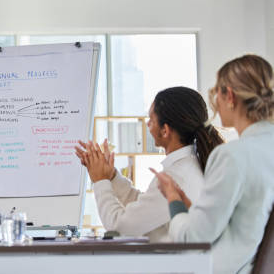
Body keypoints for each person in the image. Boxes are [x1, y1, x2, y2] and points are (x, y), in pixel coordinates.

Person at [152, 55, 274, 273]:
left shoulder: (233, 156)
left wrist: (173, 199)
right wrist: (191, 209)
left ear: (229, 96)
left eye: (216, 92)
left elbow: (192, 238)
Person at [75, 86, 223, 242]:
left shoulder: (176, 176)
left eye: (151, 120)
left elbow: (118, 228)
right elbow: (145, 210)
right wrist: (112, 177)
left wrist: (100, 181)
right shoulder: (189, 166)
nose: (147, 125)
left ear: (165, 131)